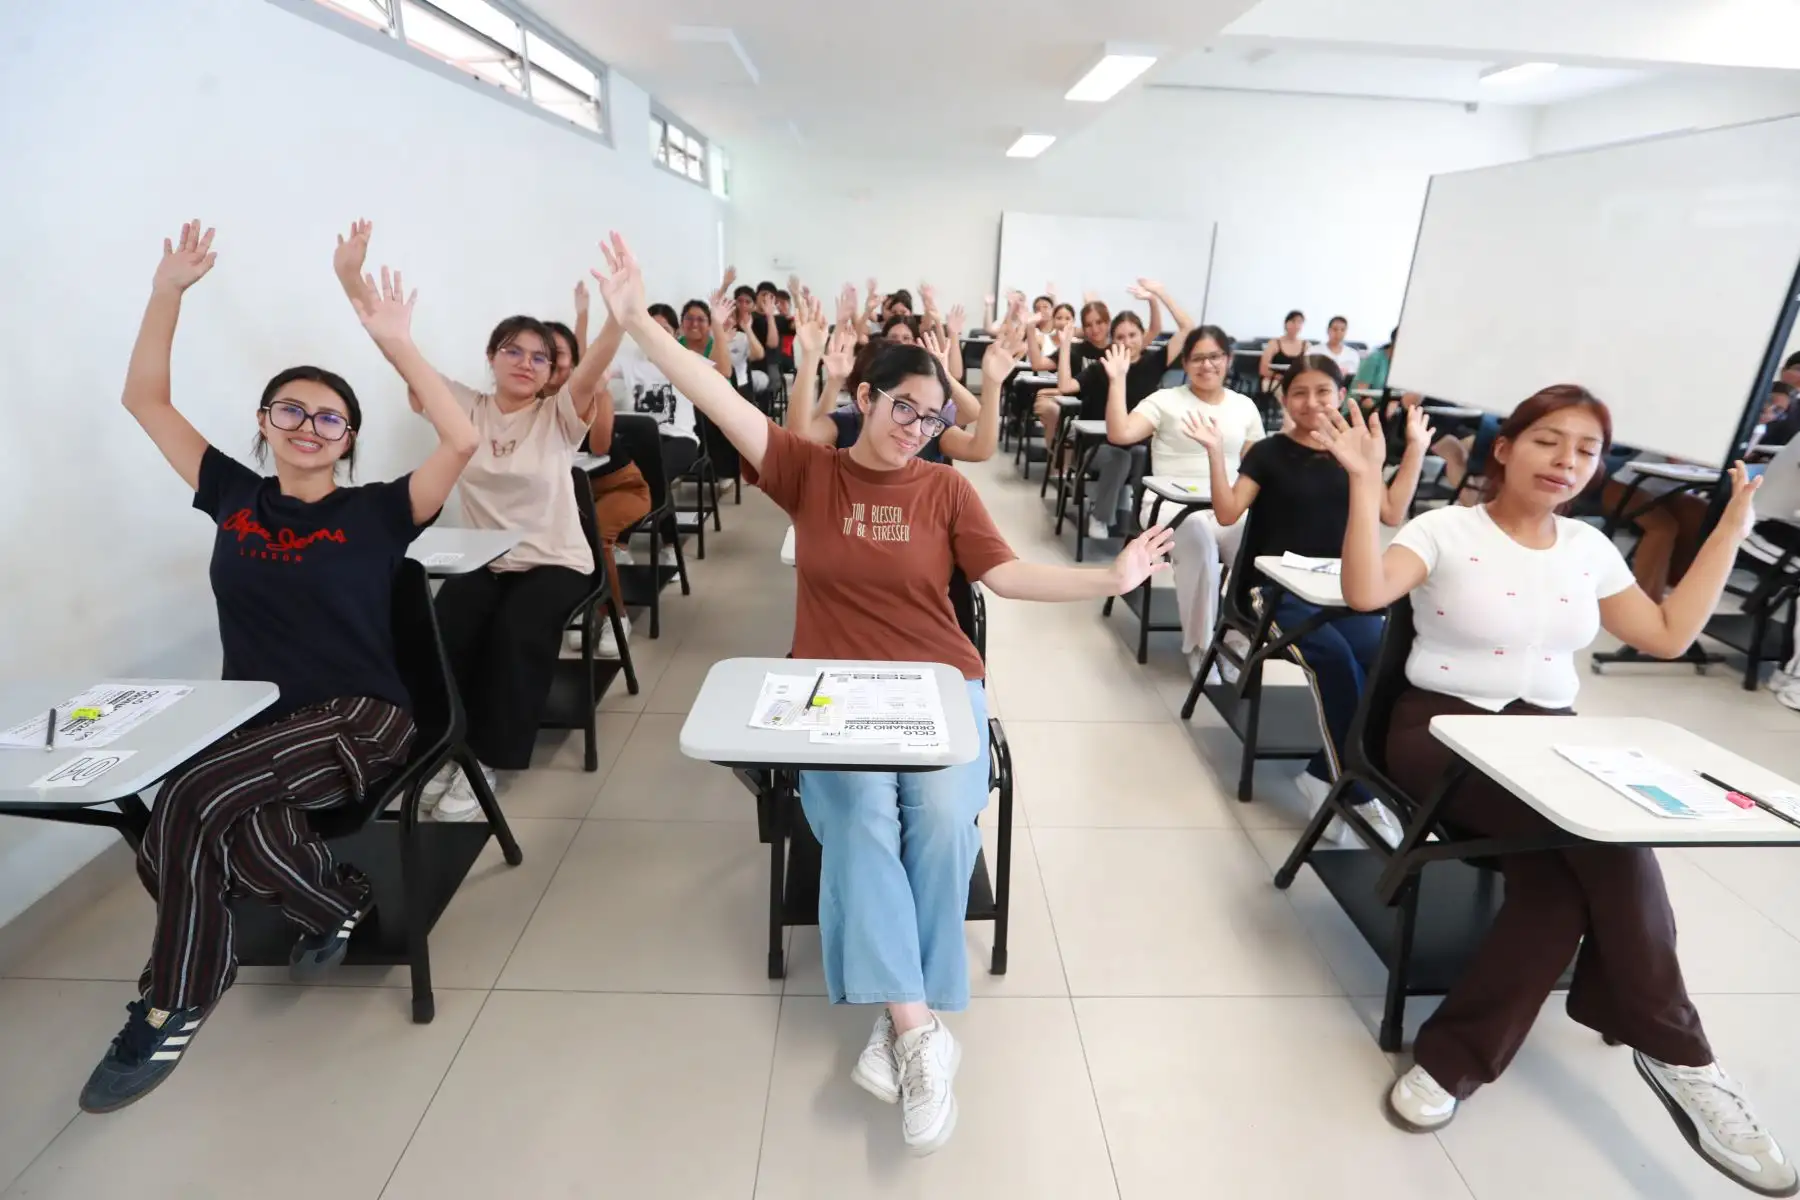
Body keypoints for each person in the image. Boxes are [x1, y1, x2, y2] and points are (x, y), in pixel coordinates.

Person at [590, 231, 1173, 1157]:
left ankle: (898, 1020)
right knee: (859, 814)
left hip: (942, 686)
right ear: (861, 398)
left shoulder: (944, 490)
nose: (917, 427)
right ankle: (919, 1031)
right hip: (831, 693)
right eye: (904, 407)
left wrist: (1110, 580)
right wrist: (636, 328)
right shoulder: (804, 471)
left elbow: (1008, 577)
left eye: (931, 416)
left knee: (941, 818)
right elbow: (719, 397)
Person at [1319, 389, 1796, 1197]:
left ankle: (1453, 1061)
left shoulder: (1587, 549)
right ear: (1505, 448)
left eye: (1585, 449)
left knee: (1559, 880)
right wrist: (1367, 486)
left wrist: (1727, 535)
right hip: (1440, 735)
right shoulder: (1445, 529)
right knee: (1603, 843)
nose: (1566, 460)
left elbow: (1668, 634)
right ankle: (1683, 1057)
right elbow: (1365, 594)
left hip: (1549, 737)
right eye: (1548, 440)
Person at [83, 220, 477, 1112]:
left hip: (361, 717)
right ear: (265, 425)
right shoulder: (232, 495)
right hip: (256, 721)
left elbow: (459, 441)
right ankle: (333, 901)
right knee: (201, 813)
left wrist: (399, 344)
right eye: (290, 410)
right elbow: (145, 400)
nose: (308, 425)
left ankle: (176, 994)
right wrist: (167, 293)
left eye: (329, 416)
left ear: (349, 438)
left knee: (187, 802)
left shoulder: (380, 511)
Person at [334, 228, 622, 820]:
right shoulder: (465, 405)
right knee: (445, 627)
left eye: (539, 356)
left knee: (518, 632)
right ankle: (444, 747)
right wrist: (350, 280)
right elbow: (400, 353)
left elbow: (591, 370)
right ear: (491, 358)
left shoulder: (560, 416)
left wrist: (619, 316)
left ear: (550, 374)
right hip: (487, 560)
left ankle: (487, 759)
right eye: (512, 350)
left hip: (555, 561)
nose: (525, 362)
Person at [1203, 355, 1430, 847]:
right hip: (1273, 590)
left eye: (1323, 392)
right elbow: (1225, 513)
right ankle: (1347, 785)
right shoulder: (1267, 453)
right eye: (1299, 393)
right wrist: (1214, 455)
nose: (1312, 403)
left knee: (1381, 659)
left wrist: (1413, 449)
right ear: (1284, 399)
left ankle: (1326, 770)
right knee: (1331, 657)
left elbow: (1392, 509)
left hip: (1343, 588)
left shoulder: (1356, 454)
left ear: (1341, 394)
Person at [1102, 326, 1265, 675]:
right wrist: (1117, 381)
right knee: (1198, 538)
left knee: (1255, 543)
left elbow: (1256, 467)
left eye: (1215, 357)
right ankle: (1200, 646)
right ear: (1186, 363)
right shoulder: (1165, 400)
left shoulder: (1244, 407)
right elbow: (1120, 433)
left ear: (1228, 359)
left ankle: (1235, 640)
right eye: (1197, 358)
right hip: (1170, 505)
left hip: (1225, 505)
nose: (1207, 365)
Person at [788, 289, 1001, 466]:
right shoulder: (847, 421)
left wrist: (989, 384)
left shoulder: (929, 425)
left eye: (906, 338)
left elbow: (978, 444)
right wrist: (812, 359)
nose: (913, 429)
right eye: (903, 407)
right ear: (865, 397)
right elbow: (799, 441)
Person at [570, 281, 652, 657]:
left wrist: (601, 390)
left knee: (597, 535)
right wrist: (582, 315)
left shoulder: (595, 394)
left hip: (624, 488)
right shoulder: (547, 401)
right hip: (577, 492)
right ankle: (579, 609)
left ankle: (615, 616)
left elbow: (600, 446)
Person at [1074, 283, 1194, 537]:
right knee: (1122, 457)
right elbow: (1068, 387)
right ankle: (1100, 516)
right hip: (1097, 449)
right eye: (1120, 337)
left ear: (1143, 336)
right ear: (1112, 341)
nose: (1127, 342)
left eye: (1132, 335)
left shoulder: (1153, 363)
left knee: (1142, 453)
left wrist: (1160, 294)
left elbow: (1187, 329)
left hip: (1139, 446)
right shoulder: (1103, 367)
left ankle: (1141, 519)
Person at [1258, 310, 1309, 402]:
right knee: (1287, 392)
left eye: (1300, 322)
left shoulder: (1306, 345)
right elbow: (1263, 369)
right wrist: (1282, 377)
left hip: (1297, 381)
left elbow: (1310, 368)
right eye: (1293, 321)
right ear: (1286, 323)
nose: (1296, 325)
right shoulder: (1274, 343)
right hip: (1275, 380)